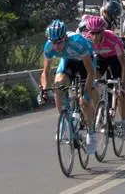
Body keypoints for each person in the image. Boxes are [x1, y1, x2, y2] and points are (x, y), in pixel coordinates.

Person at [40, 20, 97, 154]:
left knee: (84, 102)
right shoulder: (49, 47)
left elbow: (90, 72)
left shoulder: (78, 42)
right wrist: (43, 90)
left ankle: (91, 134)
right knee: (58, 85)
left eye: (59, 42)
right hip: (69, 61)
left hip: (85, 63)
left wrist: (86, 93)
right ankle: (64, 120)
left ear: (65, 38)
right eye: (54, 42)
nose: (57, 46)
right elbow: (45, 73)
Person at [85, 16, 125, 139]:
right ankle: (100, 107)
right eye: (92, 33)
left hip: (115, 59)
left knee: (119, 93)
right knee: (94, 79)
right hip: (100, 58)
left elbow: (124, 65)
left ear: (103, 31)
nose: (95, 36)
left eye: (98, 33)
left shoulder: (113, 41)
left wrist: (123, 86)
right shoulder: (87, 40)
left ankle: (124, 122)